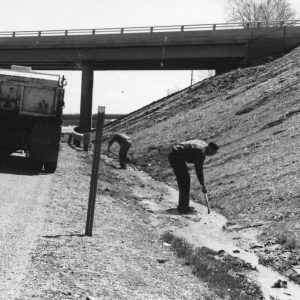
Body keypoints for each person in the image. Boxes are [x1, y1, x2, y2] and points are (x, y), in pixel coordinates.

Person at [168, 140, 219, 214]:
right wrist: (203, 185)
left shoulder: (203, 144)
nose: (211, 155)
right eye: (212, 153)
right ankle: (183, 207)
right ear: (210, 148)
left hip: (177, 155)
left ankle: (183, 206)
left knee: (185, 179)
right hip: (176, 157)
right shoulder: (201, 153)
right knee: (184, 181)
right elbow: (199, 170)